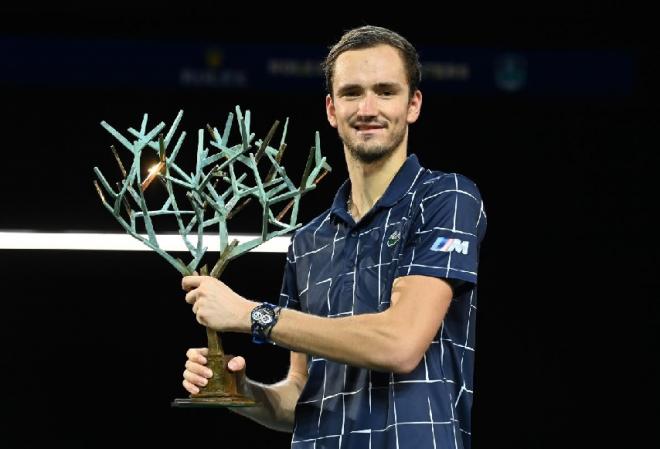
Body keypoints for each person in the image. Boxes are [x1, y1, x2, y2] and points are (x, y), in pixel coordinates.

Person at [182, 25, 487, 449]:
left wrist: (254, 315)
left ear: (412, 104)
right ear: (331, 109)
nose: (367, 107)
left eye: (385, 91)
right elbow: (299, 399)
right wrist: (241, 392)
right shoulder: (309, 240)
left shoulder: (445, 197)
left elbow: (400, 343)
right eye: (351, 93)